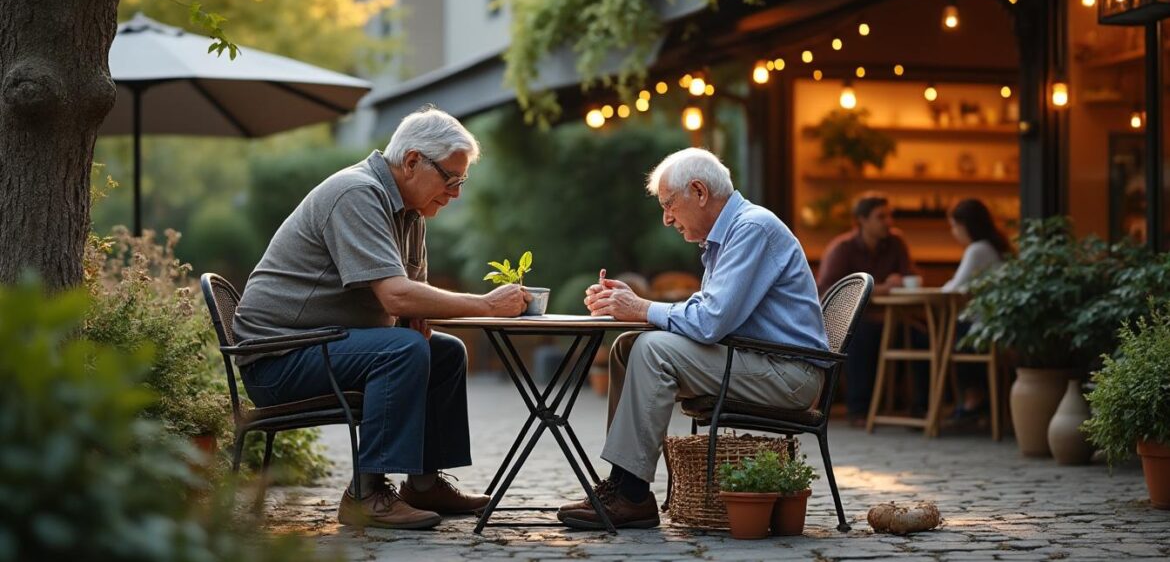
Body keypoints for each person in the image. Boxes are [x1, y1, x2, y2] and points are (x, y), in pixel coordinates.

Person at [232, 107, 530, 530]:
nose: (456, 192)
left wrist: (418, 315)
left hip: (322, 345)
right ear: (412, 162)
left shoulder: (411, 212)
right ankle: (366, 494)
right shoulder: (356, 193)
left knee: (444, 351)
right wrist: (485, 305)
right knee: (402, 350)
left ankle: (424, 484)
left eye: (461, 181)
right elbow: (395, 295)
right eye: (451, 178)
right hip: (279, 360)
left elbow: (413, 304)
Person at [556, 148, 828, 530]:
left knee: (651, 350)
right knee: (628, 346)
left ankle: (632, 496)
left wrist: (640, 307)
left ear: (699, 192)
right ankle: (621, 483)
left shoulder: (752, 229)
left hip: (790, 375)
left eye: (669, 205)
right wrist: (634, 306)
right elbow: (708, 313)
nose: (667, 218)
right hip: (760, 362)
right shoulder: (727, 237)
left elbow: (710, 322)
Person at [816, 192, 918, 426]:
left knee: (922, 338)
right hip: (850, 322)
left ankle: (920, 409)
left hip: (891, 318)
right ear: (861, 220)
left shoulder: (896, 242)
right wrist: (878, 289)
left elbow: (910, 275)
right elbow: (828, 291)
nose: (888, 222)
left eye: (889, 216)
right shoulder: (842, 249)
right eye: (881, 217)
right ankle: (858, 410)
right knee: (861, 336)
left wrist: (902, 281)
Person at [942, 198, 1011, 419]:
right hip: (999, 327)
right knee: (956, 330)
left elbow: (955, 288)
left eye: (953, 226)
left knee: (952, 337)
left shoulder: (977, 249)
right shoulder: (994, 247)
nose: (953, 232)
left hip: (986, 329)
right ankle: (978, 400)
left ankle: (974, 400)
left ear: (964, 225)